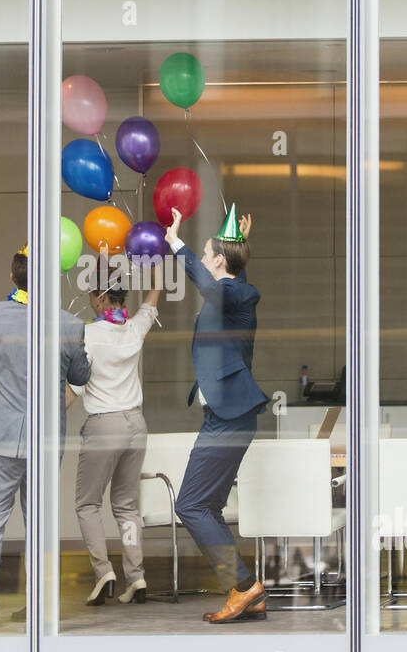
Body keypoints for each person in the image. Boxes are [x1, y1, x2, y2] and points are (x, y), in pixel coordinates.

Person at [0, 246, 91, 629]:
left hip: (0, 435)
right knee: (39, 521)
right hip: (45, 439)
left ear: (14, 278)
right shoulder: (70, 325)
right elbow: (81, 377)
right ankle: (38, 604)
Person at [164, 204, 269, 623]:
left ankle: (244, 587)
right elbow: (223, 279)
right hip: (223, 417)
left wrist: (177, 244)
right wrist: (241, 242)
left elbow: (216, 285)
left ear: (217, 261)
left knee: (190, 504)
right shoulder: (231, 290)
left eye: (208, 254)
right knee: (204, 505)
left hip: (230, 417)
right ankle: (248, 593)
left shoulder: (238, 294)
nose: (204, 260)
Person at [70, 263, 161, 606]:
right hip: (136, 425)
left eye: (92, 295)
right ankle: (135, 577)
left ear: (100, 297)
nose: (90, 301)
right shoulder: (133, 329)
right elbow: (151, 304)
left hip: (104, 425)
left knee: (88, 503)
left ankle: (103, 571)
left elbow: (76, 386)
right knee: (126, 506)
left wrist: (50, 417)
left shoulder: (88, 335)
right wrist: (155, 277)